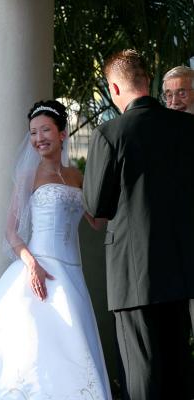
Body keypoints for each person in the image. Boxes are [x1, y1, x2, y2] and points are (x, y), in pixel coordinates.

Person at [0, 100, 112, 399]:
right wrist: (32, 265)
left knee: (71, 347)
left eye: (45, 130)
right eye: (33, 132)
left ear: (62, 133)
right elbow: (11, 231)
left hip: (72, 274)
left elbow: (97, 221)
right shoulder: (29, 176)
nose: (39, 138)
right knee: (29, 349)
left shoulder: (79, 177)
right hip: (35, 270)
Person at [83, 49, 194, 400]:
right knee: (178, 368)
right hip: (182, 269)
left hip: (133, 275)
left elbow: (95, 207)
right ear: (148, 81)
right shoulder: (189, 128)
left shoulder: (109, 134)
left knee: (141, 372)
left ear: (114, 89)